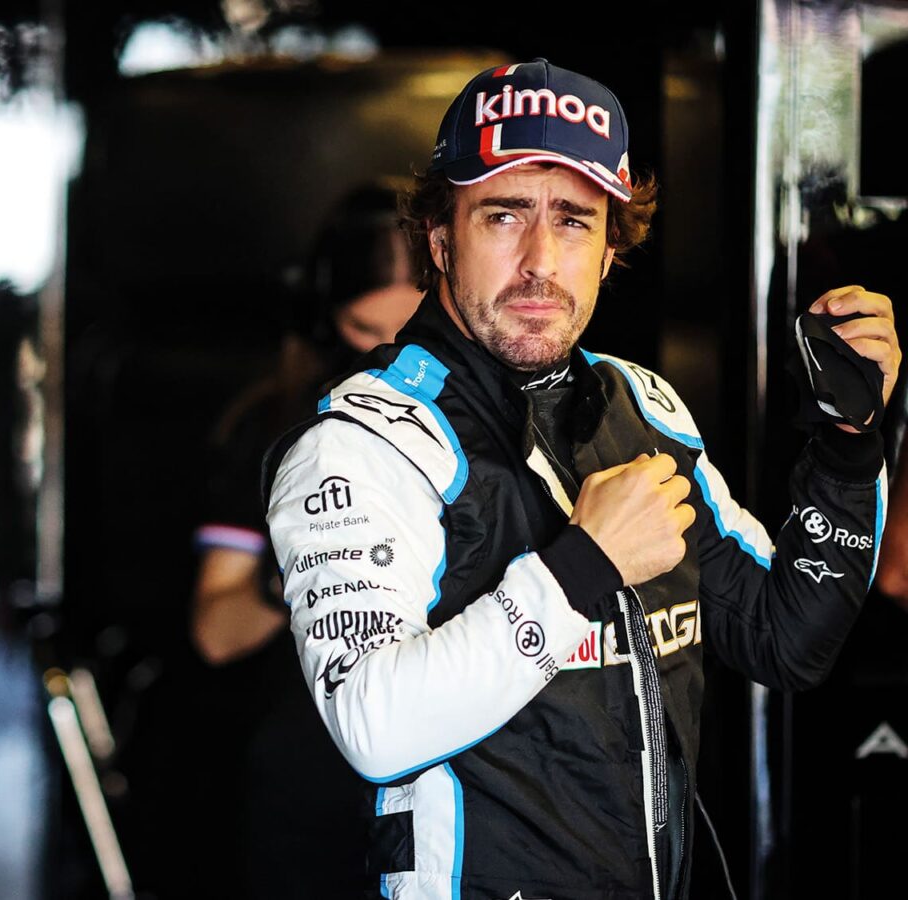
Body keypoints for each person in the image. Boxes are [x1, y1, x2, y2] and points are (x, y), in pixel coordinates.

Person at [263, 59, 898, 900]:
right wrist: (580, 568)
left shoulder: (643, 408)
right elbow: (375, 726)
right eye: (503, 215)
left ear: (609, 251)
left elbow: (787, 637)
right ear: (440, 237)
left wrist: (849, 445)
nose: (539, 261)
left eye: (573, 220)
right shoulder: (361, 444)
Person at [187, 186, 422, 898]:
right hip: (311, 776)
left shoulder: (500, 423)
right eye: (363, 326)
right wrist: (313, 561)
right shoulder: (274, 430)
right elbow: (214, 632)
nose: (386, 351)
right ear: (324, 317)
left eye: (409, 323)